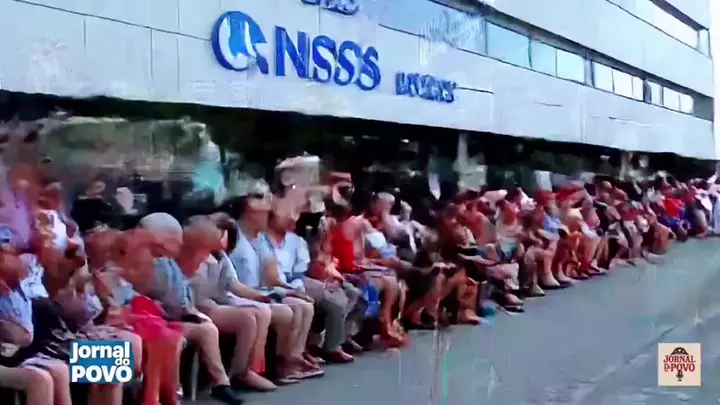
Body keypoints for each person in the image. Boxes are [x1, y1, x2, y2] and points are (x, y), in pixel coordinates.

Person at [137, 213, 242, 405]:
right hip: (141, 323)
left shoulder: (166, 261)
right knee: (168, 337)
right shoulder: (138, 261)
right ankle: (165, 395)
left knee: (203, 330)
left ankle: (220, 384)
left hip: (165, 319)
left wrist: (189, 312)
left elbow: (180, 299)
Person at [224, 185, 323, 383]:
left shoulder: (261, 239)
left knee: (303, 305)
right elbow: (231, 281)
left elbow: (271, 277)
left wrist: (290, 290)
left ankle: (291, 358)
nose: (268, 219)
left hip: (260, 290)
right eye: (265, 215)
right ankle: (275, 366)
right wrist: (275, 294)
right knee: (287, 311)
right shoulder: (234, 235)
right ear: (249, 214)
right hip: (238, 293)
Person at [184, 215, 277, 391]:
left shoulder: (220, 257)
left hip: (211, 303)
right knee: (247, 319)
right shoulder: (191, 255)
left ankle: (244, 370)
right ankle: (239, 374)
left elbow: (233, 284)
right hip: (197, 306)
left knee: (258, 313)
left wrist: (263, 297)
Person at [262, 203, 356, 363]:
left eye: (293, 215)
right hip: (275, 284)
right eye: (285, 214)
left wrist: (301, 286)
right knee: (320, 300)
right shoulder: (262, 239)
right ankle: (299, 352)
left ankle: (329, 345)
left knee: (339, 294)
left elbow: (301, 270)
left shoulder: (297, 241)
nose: (291, 218)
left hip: (296, 280)